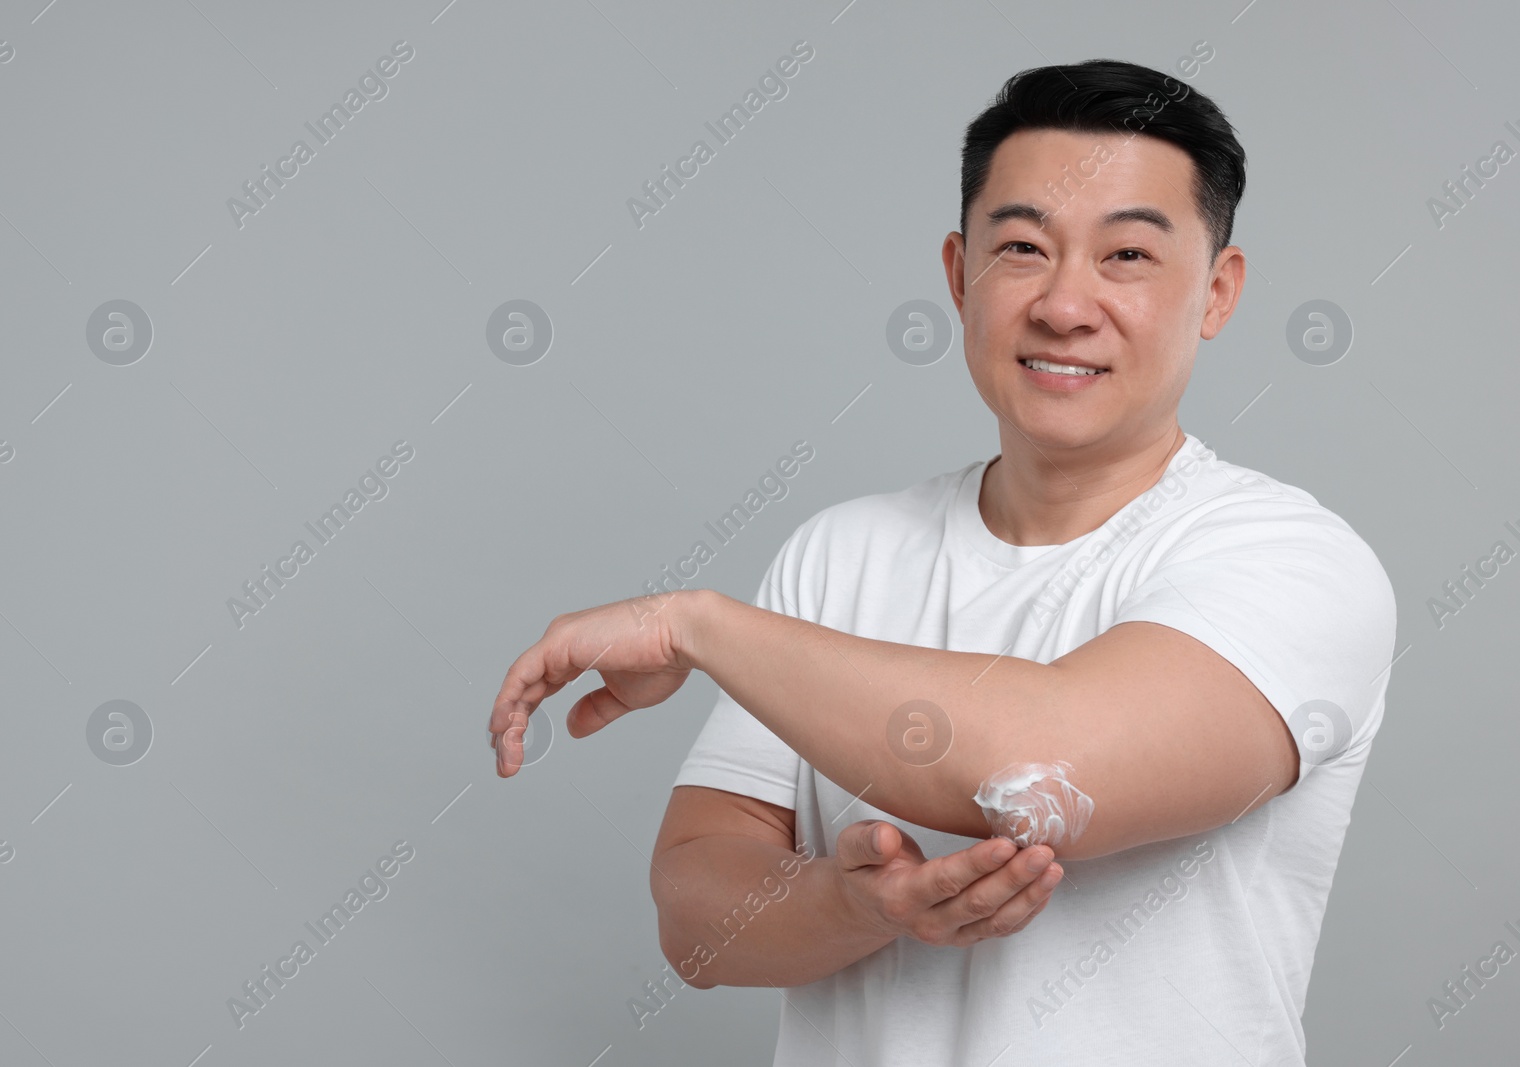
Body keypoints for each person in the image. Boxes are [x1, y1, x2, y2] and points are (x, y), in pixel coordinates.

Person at [489, 57, 1397, 1065]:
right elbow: (696, 921)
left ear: (1216, 291)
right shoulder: (842, 552)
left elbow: (1048, 771)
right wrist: (854, 902)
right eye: (1021, 247)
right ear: (958, 275)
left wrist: (697, 626)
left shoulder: (1293, 560)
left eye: (1126, 256)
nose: (1063, 304)